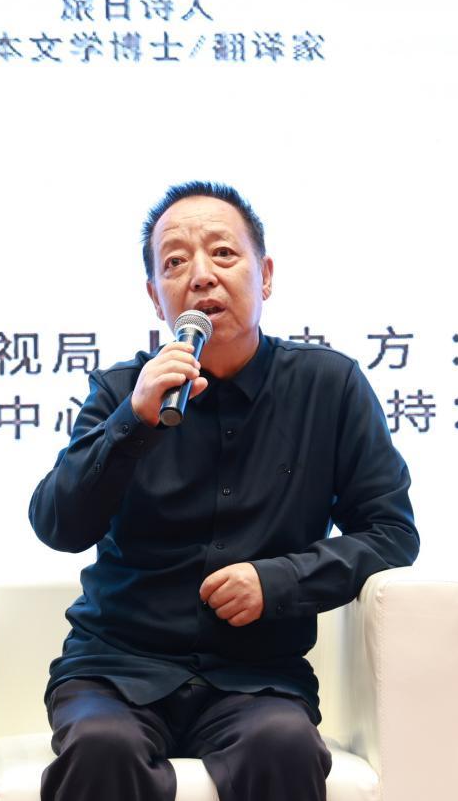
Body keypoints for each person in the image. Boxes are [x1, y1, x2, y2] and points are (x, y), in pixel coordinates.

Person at [29, 181, 419, 801]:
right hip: (116, 669)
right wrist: (132, 422)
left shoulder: (330, 387)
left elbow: (391, 534)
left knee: (282, 745)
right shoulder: (122, 392)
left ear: (265, 276)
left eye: (223, 253)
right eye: (175, 263)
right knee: (101, 746)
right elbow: (58, 526)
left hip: (256, 677)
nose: (201, 276)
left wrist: (280, 581)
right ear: (155, 297)